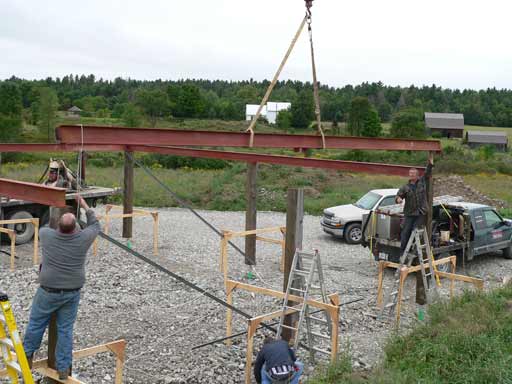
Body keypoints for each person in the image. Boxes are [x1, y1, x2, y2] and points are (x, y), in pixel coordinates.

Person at [23, 196, 100, 380]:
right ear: (76, 228)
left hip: (48, 291)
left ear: (58, 226)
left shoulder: (47, 235)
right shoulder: (83, 238)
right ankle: (63, 369)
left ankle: (26, 357)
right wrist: (83, 204)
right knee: (65, 330)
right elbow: (95, 225)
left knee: (36, 324)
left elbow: (44, 226)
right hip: (71, 293)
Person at [395, 153, 434, 256]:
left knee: (416, 232)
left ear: (417, 175)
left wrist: (430, 164)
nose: (411, 175)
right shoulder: (405, 187)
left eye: (413, 173)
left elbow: (427, 172)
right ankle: (403, 253)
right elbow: (398, 196)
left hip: (420, 212)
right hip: (409, 213)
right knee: (405, 233)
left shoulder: (422, 182)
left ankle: (414, 251)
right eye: (410, 173)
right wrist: (398, 199)